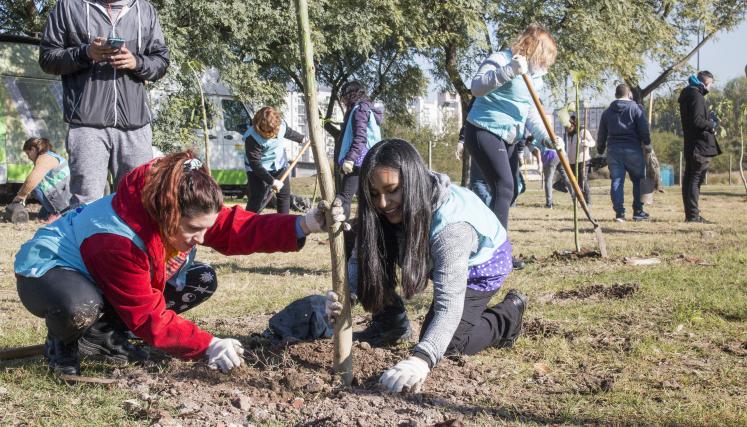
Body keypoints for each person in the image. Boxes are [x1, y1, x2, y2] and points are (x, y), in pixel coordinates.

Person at [14, 151, 342, 376]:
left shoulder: (180, 202)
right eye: (193, 229)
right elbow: (147, 315)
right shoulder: (116, 240)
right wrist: (208, 345)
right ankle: (62, 345)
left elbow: (236, 228)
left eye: (205, 228)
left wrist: (304, 224)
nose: (201, 238)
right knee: (78, 307)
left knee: (200, 279)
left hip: (105, 277)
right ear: (168, 214)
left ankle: (102, 338)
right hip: (49, 270)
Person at [326, 139, 526, 393]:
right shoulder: (388, 209)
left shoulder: (452, 231)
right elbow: (360, 258)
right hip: (427, 245)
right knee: (359, 232)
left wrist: (423, 358)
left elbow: (448, 305)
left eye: (393, 190)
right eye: (374, 194)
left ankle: (508, 317)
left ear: (412, 181)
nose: (383, 203)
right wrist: (346, 295)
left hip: (481, 265)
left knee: (449, 343)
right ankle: (390, 324)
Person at [39, 0, 170, 207]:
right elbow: (48, 58)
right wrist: (86, 53)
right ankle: (88, 240)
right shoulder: (69, 6)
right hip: (86, 125)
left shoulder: (145, 9)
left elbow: (161, 61)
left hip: (135, 125)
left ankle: (130, 241)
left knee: (138, 202)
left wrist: (137, 62)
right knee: (86, 203)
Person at [464, 24, 561, 231]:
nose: (546, 63)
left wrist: (546, 138)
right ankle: (498, 251)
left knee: (512, 190)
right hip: (484, 129)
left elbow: (531, 113)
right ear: (534, 47)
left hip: (508, 136)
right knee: (504, 187)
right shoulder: (502, 59)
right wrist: (509, 71)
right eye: (545, 56)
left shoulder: (536, 77)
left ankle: (485, 238)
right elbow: (477, 87)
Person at [597, 84, 652, 222]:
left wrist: (600, 148)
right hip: (633, 149)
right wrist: (647, 143)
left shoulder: (607, 112)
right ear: (629, 94)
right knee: (639, 180)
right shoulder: (636, 108)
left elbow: (601, 133)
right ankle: (638, 211)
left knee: (617, 181)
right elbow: (643, 128)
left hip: (613, 151)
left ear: (616, 95)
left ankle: (620, 214)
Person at [244, 106, 309, 213]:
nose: (270, 134)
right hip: (257, 169)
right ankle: (248, 223)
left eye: (272, 131)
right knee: (258, 196)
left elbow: (288, 132)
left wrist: (302, 139)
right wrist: (272, 181)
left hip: (279, 165)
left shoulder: (281, 125)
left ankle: (282, 224)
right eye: (266, 131)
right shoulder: (251, 137)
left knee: (284, 195)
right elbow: (255, 164)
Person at [334, 80, 384, 218]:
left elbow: (360, 138)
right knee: (365, 200)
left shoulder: (359, 111)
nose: (342, 100)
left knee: (345, 197)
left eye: (343, 95)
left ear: (350, 95)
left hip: (358, 161)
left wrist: (350, 159)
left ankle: (345, 234)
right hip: (369, 160)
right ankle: (362, 231)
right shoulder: (366, 109)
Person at [678, 71, 721, 223]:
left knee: (690, 179)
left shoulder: (688, 94)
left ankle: (691, 214)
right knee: (694, 180)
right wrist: (712, 125)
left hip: (692, 144)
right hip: (699, 145)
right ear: (706, 82)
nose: (711, 88)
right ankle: (693, 216)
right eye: (711, 85)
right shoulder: (696, 96)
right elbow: (697, 121)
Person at [12, 137, 71, 222]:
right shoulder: (49, 156)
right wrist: (21, 194)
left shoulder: (45, 158)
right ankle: (52, 212)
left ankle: (58, 213)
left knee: (35, 184)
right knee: (41, 216)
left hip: (65, 201)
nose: (28, 158)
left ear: (32, 149)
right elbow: (29, 180)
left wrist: (21, 195)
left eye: (28, 154)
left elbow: (32, 180)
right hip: (66, 195)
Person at [565, 115, 596, 205]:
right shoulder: (569, 135)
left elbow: (593, 142)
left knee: (583, 179)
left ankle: (588, 201)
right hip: (572, 161)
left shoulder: (583, 132)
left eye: (568, 127)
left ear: (574, 125)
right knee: (575, 181)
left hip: (583, 160)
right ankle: (579, 199)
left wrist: (586, 143)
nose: (567, 129)